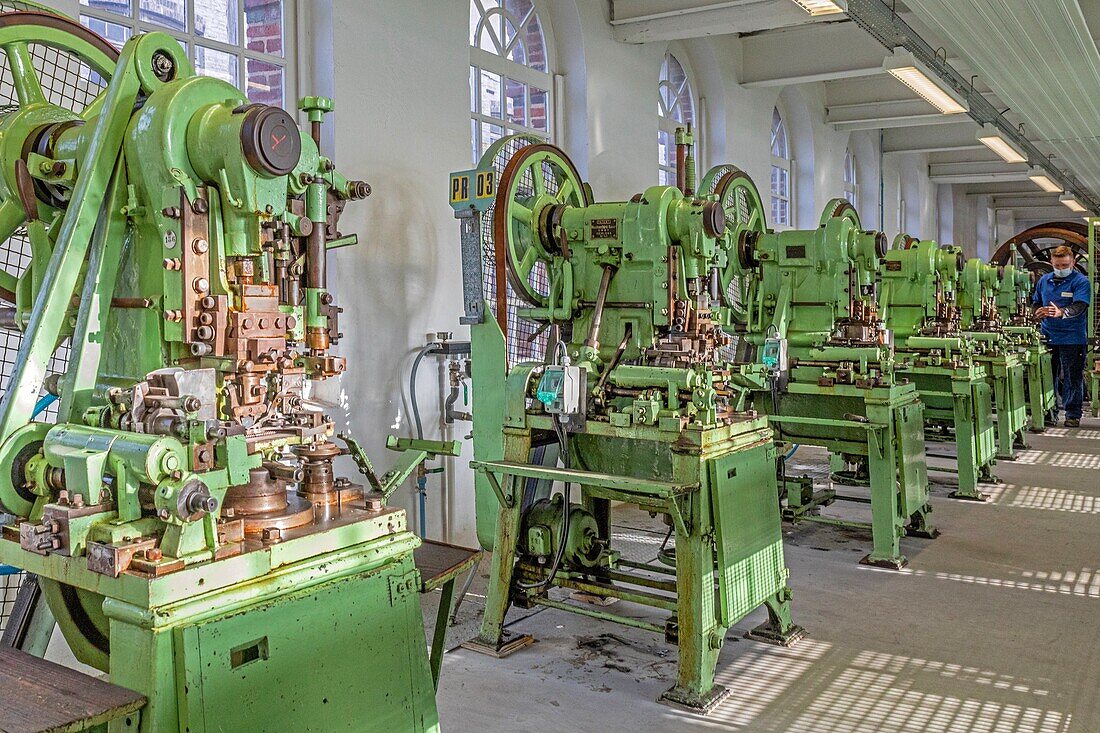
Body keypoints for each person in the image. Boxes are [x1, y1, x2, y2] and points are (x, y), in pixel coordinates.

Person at [1033, 245, 1091, 427]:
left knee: (1073, 378)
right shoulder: (1044, 280)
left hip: (1072, 338)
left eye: (1065, 265)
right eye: (1058, 265)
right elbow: (1035, 302)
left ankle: (1073, 414)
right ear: (1051, 262)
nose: (1061, 269)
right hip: (1048, 336)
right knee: (1047, 376)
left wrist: (1061, 312)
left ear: (1073, 262)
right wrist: (1038, 311)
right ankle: (1050, 412)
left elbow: (1080, 305)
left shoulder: (1081, 282)